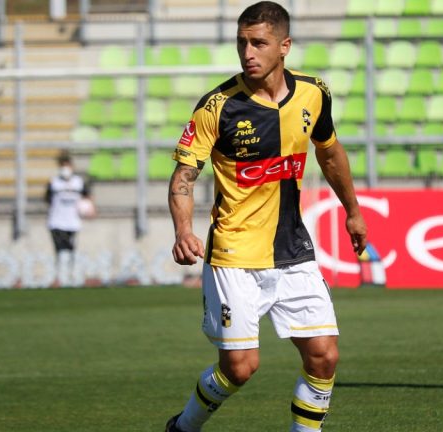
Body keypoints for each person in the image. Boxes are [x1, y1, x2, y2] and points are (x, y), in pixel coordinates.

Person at [165, 2, 368, 431]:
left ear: (284, 46)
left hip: (293, 249)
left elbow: (330, 153)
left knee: (324, 356)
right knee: (239, 368)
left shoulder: (314, 93)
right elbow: (184, 175)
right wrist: (183, 229)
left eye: (258, 43)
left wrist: (353, 212)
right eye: (242, 43)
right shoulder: (217, 106)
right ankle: (183, 427)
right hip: (235, 253)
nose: (248, 53)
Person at [45, 151, 92, 269]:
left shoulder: (78, 182)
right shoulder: (54, 182)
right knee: (60, 250)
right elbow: (47, 199)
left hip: (72, 222)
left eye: (67, 165)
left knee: (70, 249)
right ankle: (59, 271)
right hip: (56, 222)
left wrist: (90, 209)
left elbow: (88, 196)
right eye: (63, 166)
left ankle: (70, 272)